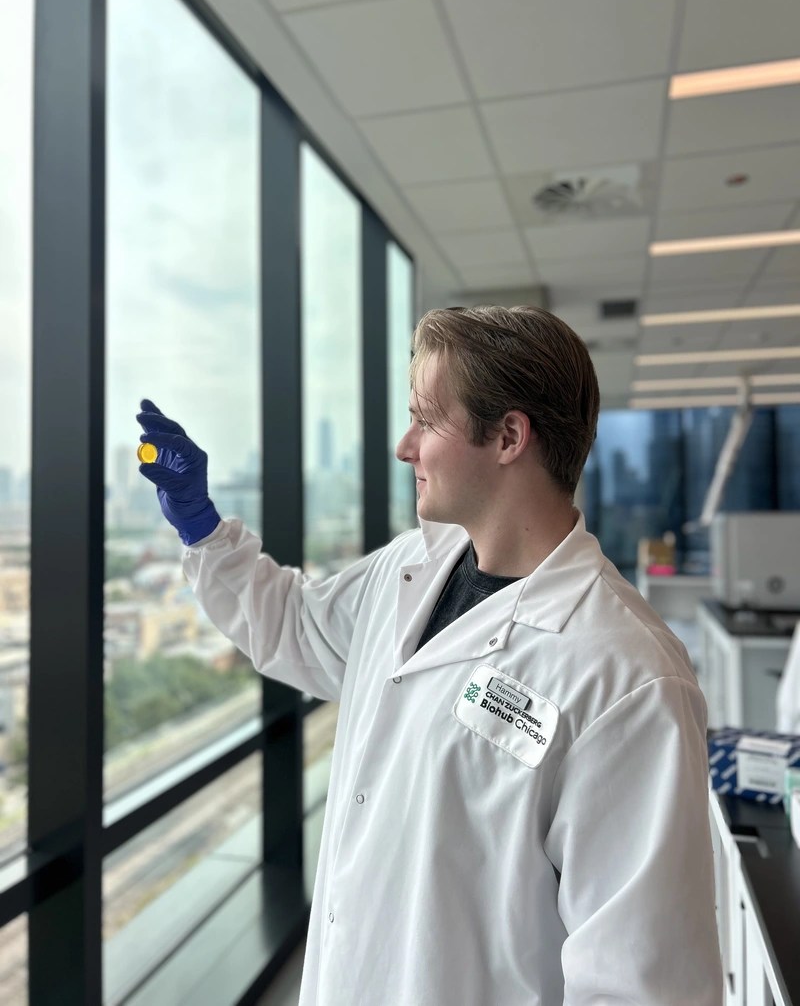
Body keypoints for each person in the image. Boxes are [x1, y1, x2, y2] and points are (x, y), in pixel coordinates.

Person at [137, 305, 723, 1006]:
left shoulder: (627, 675)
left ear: (508, 435)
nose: (404, 445)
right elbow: (296, 627)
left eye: (425, 417)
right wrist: (203, 528)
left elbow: (640, 984)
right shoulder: (412, 568)